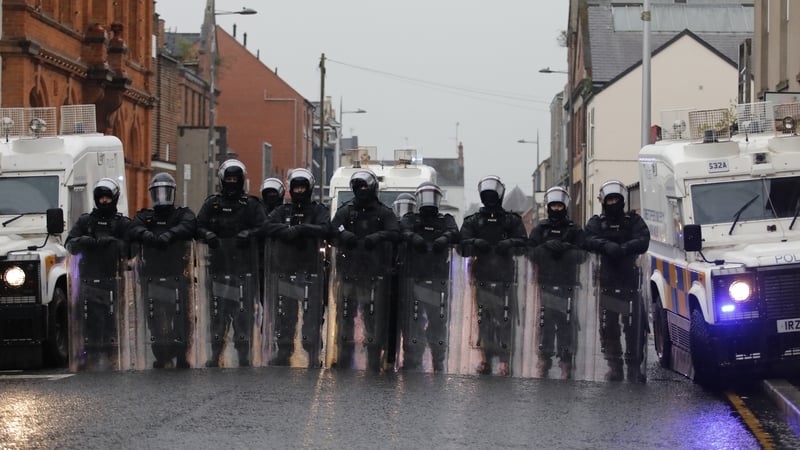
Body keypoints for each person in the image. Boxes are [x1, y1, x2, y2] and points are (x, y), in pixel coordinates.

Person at [196, 159, 266, 367]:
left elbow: (265, 227)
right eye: (229, 179)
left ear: (242, 181)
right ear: (222, 181)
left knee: (243, 315)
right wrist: (207, 234)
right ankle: (216, 354)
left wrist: (250, 233)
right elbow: (197, 225)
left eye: (236, 179)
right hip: (218, 268)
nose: (232, 183)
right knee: (218, 313)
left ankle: (244, 355)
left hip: (244, 270)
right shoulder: (212, 204)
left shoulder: (252, 205)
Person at [330, 169, 400, 371]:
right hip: (349, 271)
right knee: (346, 315)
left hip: (374, 274)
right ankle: (344, 356)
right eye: (358, 187)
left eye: (364, 187)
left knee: (372, 316)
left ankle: (373, 358)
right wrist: (344, 236)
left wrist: (378, 237)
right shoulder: (346, 210)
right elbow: (332, 228)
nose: (361, 191)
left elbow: (395, 231)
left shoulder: (382, 212)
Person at [459, 175, 527, 376]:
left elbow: (525, 244)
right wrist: (474, 243)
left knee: (505, 319)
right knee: (484, 319)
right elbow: (461, 246)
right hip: (482, 278)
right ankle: (486, 358)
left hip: (506, 278)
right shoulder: (473, 221)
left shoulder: (511, 220)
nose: (490, 198)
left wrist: (511, 244)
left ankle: (506, 360)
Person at [583, 180, 650, 381]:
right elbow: (586, 239)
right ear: (604, 201)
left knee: (634, 329)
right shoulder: (596, 222)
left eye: (616, 199)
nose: (613, 203)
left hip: (631, 284)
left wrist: (625, 248)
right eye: (609, 199)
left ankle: (634, 367)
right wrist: (606, 245)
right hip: (606, 284)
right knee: (608, 329)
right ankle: (615, 366)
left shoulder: (633, 221)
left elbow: (644, 240)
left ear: (622, 201)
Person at [129, 173, 197, 369]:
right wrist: (148, 236)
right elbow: (133, 228)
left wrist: (170, 234)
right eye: (158, 192)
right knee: (155, 318)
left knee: (182, 318)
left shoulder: (181, 214)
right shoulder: (145, 216)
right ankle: (161, 354)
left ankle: (182, 354)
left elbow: (189, 225)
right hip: (152, 276)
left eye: (165, 192)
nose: (161, 196)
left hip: (178, 275)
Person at [263, 168, 330, 366]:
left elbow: (327, 228)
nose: (300, 192)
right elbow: (265, 226)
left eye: (303, 188)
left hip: (312, 271)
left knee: (313, 316)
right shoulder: (282, 211)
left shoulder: (319, 210)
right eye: (296, 188)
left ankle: (312, 354)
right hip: (285, 270)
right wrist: (286, 230)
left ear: (309, 189)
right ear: (291, 190)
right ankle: (284, 351)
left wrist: (302, 229)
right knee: (286, 315)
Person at [65, 177, 131, 370]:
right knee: (88, 319)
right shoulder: (86, 221)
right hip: (87, 280)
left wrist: (112, 243)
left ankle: (112, 355)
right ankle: (88, 354)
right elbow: (70, 244)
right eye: (100, 198)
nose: (104, 201)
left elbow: (131, 249)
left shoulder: (122, 223)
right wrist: (84, 241)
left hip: (113, 279)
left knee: (112, 320)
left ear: (115, 198)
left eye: (107, 198)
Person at [398, 182, 459, 372]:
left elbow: (456, 232)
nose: (429, 201)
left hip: (437, 281)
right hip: (414, 279)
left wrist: (445, 238)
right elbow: (400, 229)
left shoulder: (445, 220)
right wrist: (412, 237)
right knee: (413, 322)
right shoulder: (411, 220)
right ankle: (411, 359)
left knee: (438, 322)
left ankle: (438, 361)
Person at [529, 186, 585, 379]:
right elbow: (529, 253)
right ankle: (544, 360)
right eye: (553, 205)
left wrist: (566, 249)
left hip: (567, 285)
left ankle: (566, 362)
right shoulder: (540, 230)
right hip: (544, 284)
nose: (556, 208)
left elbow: (583, 255)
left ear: (565, 206)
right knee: (545, 325)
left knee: (566, 326)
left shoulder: (574, 230)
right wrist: (545, 248)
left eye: (559, 205)